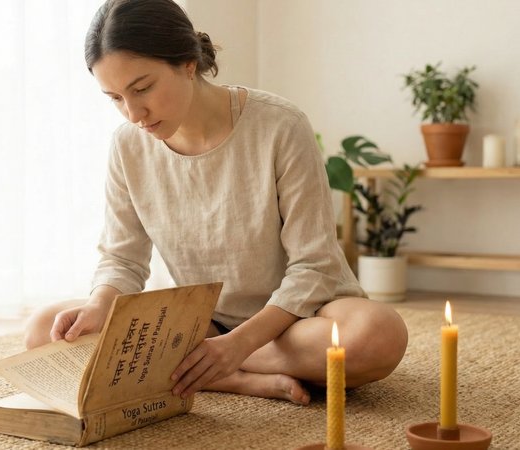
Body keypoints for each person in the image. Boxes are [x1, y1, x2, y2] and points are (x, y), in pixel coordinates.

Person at [24, 0, 408, 406]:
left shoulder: (280, 125)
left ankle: (202, 366)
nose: (134, 113)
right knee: (44, 330)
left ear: (188, 63)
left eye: (142, 88)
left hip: (299, 319)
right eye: (115, 98)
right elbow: (123, 259)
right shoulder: (127, 145)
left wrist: (238, 345)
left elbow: (315, 266)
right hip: (202, 323)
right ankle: (232, 378)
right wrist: (99, 305)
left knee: (377, 336)